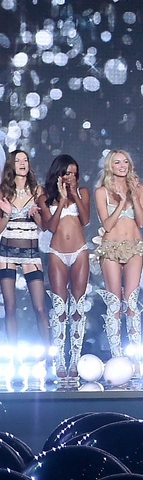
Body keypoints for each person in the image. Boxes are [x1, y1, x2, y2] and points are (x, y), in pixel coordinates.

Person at [41, 155, 92, 384]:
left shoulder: (83, 192)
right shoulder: (45, 196)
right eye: (67, 173)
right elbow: (50, 227)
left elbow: (86, 219)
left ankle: (75, 360)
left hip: (79, 251)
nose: (71, 177)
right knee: (60, 307)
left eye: (74, 173)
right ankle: (60, 359)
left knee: (78, 307)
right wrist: (61, 201)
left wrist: (73, 195)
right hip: (57, 253)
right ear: (58, 174)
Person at [92, 150, 143, 359]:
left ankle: (135, 357)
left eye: (125, 162)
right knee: (114, 303)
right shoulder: (102, 191)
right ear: (110, 166)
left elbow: (141, 221)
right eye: (117, 162)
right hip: (110, 247)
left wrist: (133, 197)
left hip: (134, 247)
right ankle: (116, 355)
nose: (122, 166)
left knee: (131, 302)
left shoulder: (139, 188)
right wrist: (122, 203)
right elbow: (107, 225)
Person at [0, 150, 50, 356]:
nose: (22, 163)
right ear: (11, 165)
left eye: (25, 160)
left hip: (30, 252)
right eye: (18, 160)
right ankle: (13, 356)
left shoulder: (38, 190)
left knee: (40, 307)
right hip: (6, 253)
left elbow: (44, 226)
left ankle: (49, 355)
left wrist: (35, 215)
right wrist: (7, 214)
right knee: (10, 307)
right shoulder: (3, 191)